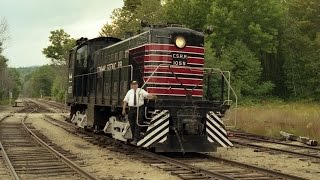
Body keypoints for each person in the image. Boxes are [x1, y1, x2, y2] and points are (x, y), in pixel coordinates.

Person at [122, 80, 156, 145]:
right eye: (133, 84)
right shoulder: (129, 92)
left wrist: (153, 96)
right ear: (131, 85)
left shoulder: (141, 91)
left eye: (136, 84)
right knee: (132, 124)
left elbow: (147, 95)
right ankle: (133, 138)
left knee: (138, 123)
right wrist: (123, 109)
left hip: (139, 109)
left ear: (137, 85)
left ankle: (136, 139)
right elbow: (125, 101)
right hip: (131, 109)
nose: (134, 86)